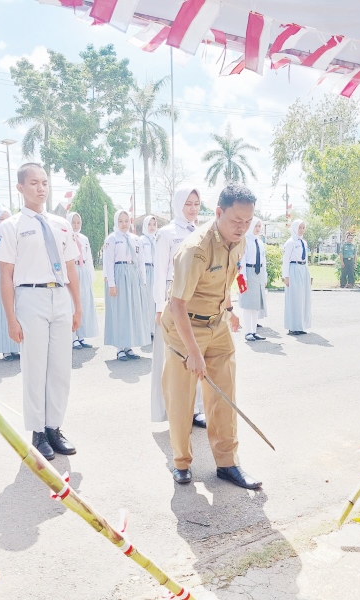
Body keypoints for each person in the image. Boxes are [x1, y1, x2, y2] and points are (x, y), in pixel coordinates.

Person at [162, 182, 262, 490]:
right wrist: (193, 351)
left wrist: (229, 309)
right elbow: (177, 305)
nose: (242, 228)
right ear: (218, 213)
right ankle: (181, 463)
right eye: (236, 221)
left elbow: (225, 281)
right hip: (184, 327)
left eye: (247, 222)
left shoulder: (240, 241)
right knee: (182, 398)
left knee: (224, 395)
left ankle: (227, 463)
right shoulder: (195, 249)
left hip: (216, 324)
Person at [0, 163, 82, 461]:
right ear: (20, 188)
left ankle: (54, 427)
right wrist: (11, 318)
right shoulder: (12, 226)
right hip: (30, 296)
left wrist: (77, 307)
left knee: (60, 368)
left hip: (59, 297)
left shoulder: (61, 224)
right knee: (35, 368)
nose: (41, 188)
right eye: (34, 183)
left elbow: (71, 267)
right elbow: (5, 275)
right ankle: (37, 432)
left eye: (44, 182)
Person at [151, 188, 204, 426]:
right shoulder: (167, 233)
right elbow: (160, 272)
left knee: (197, 352)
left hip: (199, 296)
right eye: (188, 204)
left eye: (196, 204)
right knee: (173, 358)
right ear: (178, 205)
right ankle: (175, 410)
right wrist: (159, 306)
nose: (193, 208)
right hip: (174, 299)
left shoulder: (203, 232)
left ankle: (197, 409)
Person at [102, 209, 150, 361]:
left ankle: (129, 346)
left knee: (132, 311)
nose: (124, 224)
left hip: (132, 275)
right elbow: (108, 262)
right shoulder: (112, 239)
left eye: (126, 220)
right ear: (116, 222)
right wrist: (111, 284)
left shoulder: (136, 239)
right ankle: (119, 348)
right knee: (120, 310)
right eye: (120, 221)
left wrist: (143, 281)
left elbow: (141, 261)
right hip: (119, 274)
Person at [0, 207, 20, 360]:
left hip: (14, 275)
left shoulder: (14, 236)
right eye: (2, 219)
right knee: (2, 313)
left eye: (7, 219)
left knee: (15, 311)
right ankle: (4, 349)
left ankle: (14, 348)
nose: (4, 222)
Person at [68, 211, 99, 349]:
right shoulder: (66, 237)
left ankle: (81, 336)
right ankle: (73, 336)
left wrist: (91, 276)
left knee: (84, 303)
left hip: (83, 270)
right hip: (72, 270)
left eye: (78, 222)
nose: (75, 225)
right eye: (73, 222)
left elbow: (89, 258)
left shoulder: (84, 239)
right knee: (72, 304)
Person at [239, 217, 268, 342]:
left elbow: (263, 260)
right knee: (247, 304)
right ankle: (248, 332)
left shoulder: (260, 242)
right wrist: (243, 278)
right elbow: (241, 260)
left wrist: (264, 276)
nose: (258, 229)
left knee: (256, 304)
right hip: (246, 272)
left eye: (259, 226)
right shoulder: (244, 240)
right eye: (256, 226)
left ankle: (254, 331)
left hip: (259, 273)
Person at [283, 219, 312, 336]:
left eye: (303, 228)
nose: (301, 230)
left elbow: (305, 259)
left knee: (303, 298)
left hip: (303, 269)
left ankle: (300, 325)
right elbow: (285, 260)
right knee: (294, 298)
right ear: (295, 228)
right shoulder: (290, 243)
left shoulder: (303, 242)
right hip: (293, 269)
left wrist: (308, 273)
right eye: (299, 228)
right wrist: (286, 276)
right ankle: (293, 326)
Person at [140, 215, 158, 339]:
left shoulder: (158, 239)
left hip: (155, 270)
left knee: (154, 301)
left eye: (154, 224)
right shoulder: (141, 240)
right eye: (149, 224)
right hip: (145, 269)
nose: (152, 227)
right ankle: (144, 329)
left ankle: (152, 329)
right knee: (145, 301)